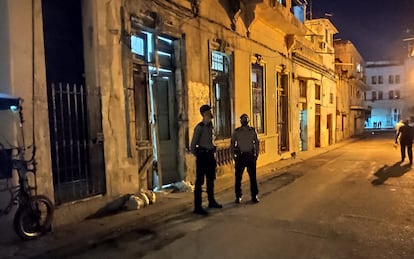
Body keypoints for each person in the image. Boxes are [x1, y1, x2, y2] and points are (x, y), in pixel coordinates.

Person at [190, 104, 222, 215]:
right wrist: (199, 154)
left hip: (210, 156)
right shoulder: (199, 127)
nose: (211, 113)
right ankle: (197, 207)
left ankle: (211, 201)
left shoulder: (210, 126)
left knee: (210, 180)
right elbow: (193, 145)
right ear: (204, 114)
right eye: (208, 112)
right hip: (202, 156)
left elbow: (211, 140)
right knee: (199, 182)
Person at [230, 113, 260, 204]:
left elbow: (257, 143)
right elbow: (232, 144)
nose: (244, 121)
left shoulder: (252, 131)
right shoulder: (237, 131)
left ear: (248, 121)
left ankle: (254, 195)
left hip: (250, 156)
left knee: (253, 178)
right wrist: (233, 156)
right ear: (241, 121)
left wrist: (256, 155)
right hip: (240, 156)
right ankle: (238, 196)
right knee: (238, 177)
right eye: (243, 119)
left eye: (246, 119)